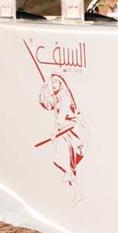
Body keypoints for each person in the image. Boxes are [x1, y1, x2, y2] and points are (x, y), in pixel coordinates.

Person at [39, 73, 87, 206]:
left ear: (61, 83)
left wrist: (55, 132)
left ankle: (72, 180)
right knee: (65, 163)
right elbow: (48, 105)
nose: (53, 84)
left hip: (76, 130)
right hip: (66, 133)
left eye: (56, 82)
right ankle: (77, 193)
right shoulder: (56, 98)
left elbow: (61, 116)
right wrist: (44, 91)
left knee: (65, 156)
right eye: (52, 82)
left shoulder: (65, 97)